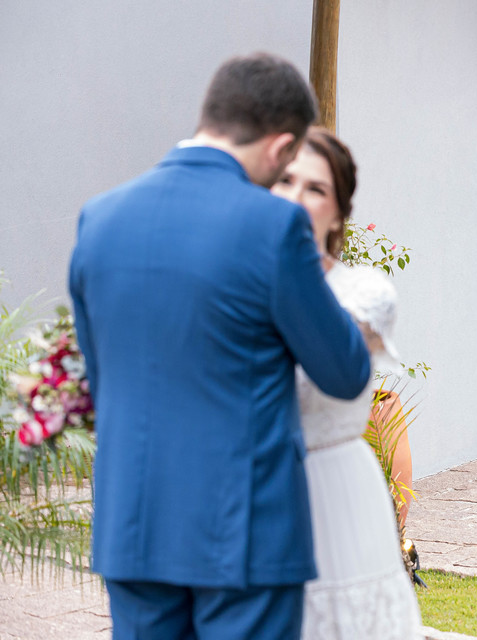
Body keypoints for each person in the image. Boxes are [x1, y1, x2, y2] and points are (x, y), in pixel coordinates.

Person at [68, 54, 372, 639]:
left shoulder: (99, 218)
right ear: (282, 146)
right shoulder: (273, 228)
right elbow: (343, 371)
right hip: (242, 533)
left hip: (133, 524)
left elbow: (100, 374)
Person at [271, 128, 424, 639]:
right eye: (286, 180)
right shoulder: (236, 285)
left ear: (338, 213)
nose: (295, 196)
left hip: (334, 489)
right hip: (257, 489)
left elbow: (331, 361)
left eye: (315, 189)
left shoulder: (364, 292)